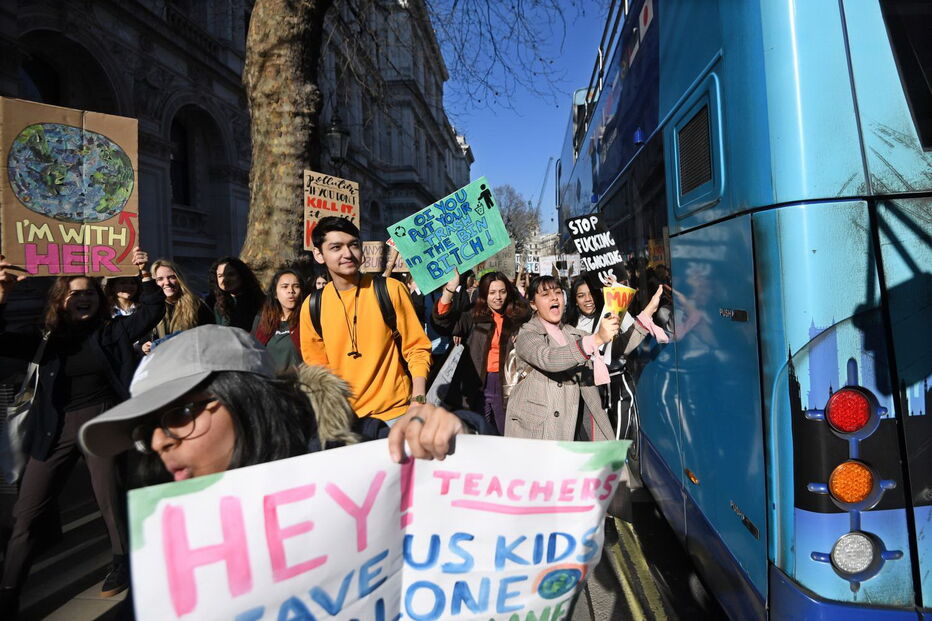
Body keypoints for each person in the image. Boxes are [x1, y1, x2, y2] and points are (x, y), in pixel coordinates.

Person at [78, 326, 476, 487]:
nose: (161, 444)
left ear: (247, 400)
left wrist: (448, 433)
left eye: (180, 415)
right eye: (144, 432)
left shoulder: (347, 449)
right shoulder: (164, 551)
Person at [0, 249, 163, 616]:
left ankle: (122, 562)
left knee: (109, 498)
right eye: (75, 293)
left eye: (89, 292)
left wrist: (143, 273)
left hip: (102, 421)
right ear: (60, 300)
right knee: (26, 513)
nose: (83, 298)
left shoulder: (111, 332)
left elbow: (153, 309)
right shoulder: (45, 336)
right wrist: (3, 295)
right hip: (53, 430)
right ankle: (9, 590)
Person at [300, 217, 432, 424]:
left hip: (397, 414)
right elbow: (317, 369)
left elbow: (417, 348)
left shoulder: (390, 289)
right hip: (345, 420)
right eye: (336, 247)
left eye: (353, 245)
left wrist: (419, 398)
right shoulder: (311, 306)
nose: (347, 254)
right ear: (319, 254)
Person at [504, 275, 621, 441]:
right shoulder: (526, 334)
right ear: (533, 304)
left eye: (558, 292)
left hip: (580, 423)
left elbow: (615, 348)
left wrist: (642, 319)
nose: (554, 297)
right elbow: (549, 358)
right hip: (541, 431)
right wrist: (596, 339)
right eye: (545, 295)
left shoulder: (573, 333)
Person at [432, 269, 531, 433]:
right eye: (492, 292)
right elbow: (444, 323)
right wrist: (450, 289)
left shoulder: (519, 317)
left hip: (507, 384)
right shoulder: (474, 315)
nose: (497, 297)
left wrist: (523, 333)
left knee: (507, 431)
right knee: (480, 431)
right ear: (484, 294)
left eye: (502, 292)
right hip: (477, 383)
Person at [141, 259, 213, 355]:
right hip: (159, 363)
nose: (167, 282)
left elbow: (209, 336)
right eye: (160, 279)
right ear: (154, 283)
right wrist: (144, 346)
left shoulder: (197, 305)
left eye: (171, 277)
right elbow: (144, 337)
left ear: (179, 279)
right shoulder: (150, 308)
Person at [252, 269, 304, 372]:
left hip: (299, 384)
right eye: (285, 286)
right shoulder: (262, 321)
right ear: (275, 294)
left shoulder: (307, 320)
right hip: (270, 384)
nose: (291, 291)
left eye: (296, 286)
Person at [208, 256, 264, 331]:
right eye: (220, 276)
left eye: (231, 274)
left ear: (242, 275)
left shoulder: (260, 301)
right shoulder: (219, 305)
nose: (225, 279)